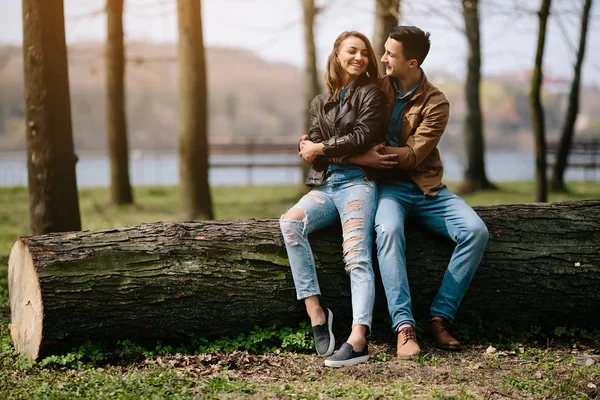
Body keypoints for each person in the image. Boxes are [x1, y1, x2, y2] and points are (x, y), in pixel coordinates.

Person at [342, 26, 489, 359]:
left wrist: (373, 153)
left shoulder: (436, 102)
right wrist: (318, 143)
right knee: (389, 229)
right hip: (388, 190)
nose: (381, 58)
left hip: (427, 188)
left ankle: (440, 318)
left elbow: (413, 155)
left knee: (475, 231)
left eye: (390, 54)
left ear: (412, 62)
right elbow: (342, 123)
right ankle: (404, 327)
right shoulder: (375, 88)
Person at [279, 30, 386, 368]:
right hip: (326, 187)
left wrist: (323, 148)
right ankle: (316, 313)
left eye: (365, 53)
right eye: (352, 51)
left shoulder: (372, 94)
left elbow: (362, 136)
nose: (359, 58)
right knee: (290, 223)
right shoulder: (320, 101)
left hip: (359, 186)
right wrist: (325, 150)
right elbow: (311, 151)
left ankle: (358, 339)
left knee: (356, 255)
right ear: (337, 54)